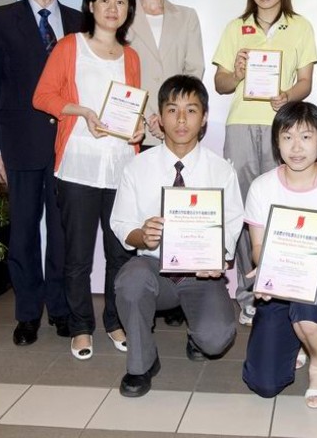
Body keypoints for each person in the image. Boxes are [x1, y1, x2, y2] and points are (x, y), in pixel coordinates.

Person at [0, 0, 83, 346]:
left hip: (67, 146)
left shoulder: (78, 22)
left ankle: (59, 309)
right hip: (17, 146)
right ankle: (27, 314)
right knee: (22, 233)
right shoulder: (0, 20)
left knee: (61, 233)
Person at [111, 75, 244, 398]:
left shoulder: (221, 171)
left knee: (215, 339)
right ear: (159, 115)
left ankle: (197, 331)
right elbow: (121, 222)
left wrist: (219, 258)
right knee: (131, 281)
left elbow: (232, 225)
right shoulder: (137, 167)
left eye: (191, 110)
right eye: (172, 110)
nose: (181, 120)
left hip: (202, 275)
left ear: (205, 117)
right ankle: (141, 364)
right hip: (155, 270)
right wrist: (143, 236)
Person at [33, 0, 143, 360]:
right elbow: (42, 96)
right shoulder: (69, 46)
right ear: (91, 5)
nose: (113, 9)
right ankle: (82, 327)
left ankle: (114, 321)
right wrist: (82, 112)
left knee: (119, 254)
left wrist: (137, 129)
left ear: (128, 10)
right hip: (78, 163)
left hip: (119, 167)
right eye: (105, 0)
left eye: (121, 2)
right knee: (77, 255)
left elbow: (131, 111)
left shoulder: (131, 56)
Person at [212, 0, 317, 326]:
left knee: (281, 208)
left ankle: (284, 285)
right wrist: (238, 73)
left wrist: (288, 95)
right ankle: (247, 293)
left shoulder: (300, 27)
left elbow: (305, 81)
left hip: (282, 128)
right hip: (240, 125)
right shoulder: (236, 27)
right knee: (244, 212)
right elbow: (220, 84)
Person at [242, 101, 317, 408]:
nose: (296, 147)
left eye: (306, 137)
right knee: (263, 383)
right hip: (282, 286)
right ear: (276, 142)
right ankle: (300, 337)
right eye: (287, 137)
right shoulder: (261, 188)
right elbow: (257, 249)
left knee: (309, 313)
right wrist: (267, 269)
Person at [127, 0, 205, 327]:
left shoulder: (186, 16)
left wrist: (173, 112)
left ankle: (180, 293)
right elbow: (119, 72)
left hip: (178, 123)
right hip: (137, 127)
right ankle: (147, 293)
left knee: (183, 205)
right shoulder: (121, 15)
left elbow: (194, 69)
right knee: (144, 207)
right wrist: (145, 116)